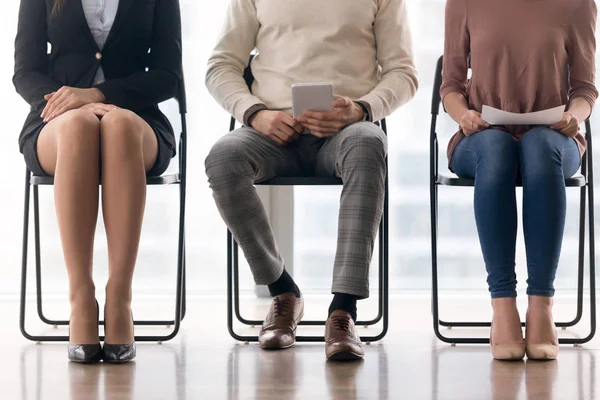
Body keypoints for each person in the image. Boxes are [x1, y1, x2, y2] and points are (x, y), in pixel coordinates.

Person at [205, 0, 417, 360]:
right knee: (224, 158)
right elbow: (220, 66)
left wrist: (361, 109)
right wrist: (256, 114)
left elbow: (402, 72)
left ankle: (344, 310)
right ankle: (283, 291)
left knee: (368, 142)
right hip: (271, 132)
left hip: (346, 131)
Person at [13, 0, 182, 363]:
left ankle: (120, 299)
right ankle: (80, 298)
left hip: (137, 121)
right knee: (80, 127)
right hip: (57, 122)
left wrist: (100, 95)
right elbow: (25, 71)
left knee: (118, 126)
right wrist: (71, 104)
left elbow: (168, 74)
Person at [441, 0, 597, 360]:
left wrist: (575, 115)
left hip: (554, 138)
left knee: (539, 148)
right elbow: (450, 85)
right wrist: (463, 116)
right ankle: (503, 306)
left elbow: (585, 89)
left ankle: (541, 305)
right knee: (497, 148)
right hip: (481, 137)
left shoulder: (577, 4)